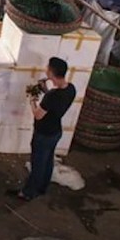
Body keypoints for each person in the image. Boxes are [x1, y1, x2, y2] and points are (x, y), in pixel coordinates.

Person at [9, 57, 76, 201]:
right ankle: (42, 187)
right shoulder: (71, 89)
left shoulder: (52, 96)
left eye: (48, 68)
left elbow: (38, 115)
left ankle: (28, 192)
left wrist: (32, 100)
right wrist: (46, 92)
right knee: (47, 161)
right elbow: (56, 104)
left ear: (51, 73)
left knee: (38, 164)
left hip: (43, 134)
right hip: (55, 132)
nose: (46, 70)